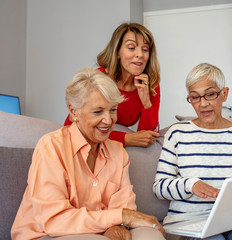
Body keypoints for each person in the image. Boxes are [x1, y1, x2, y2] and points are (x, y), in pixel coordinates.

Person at [11, 68, 165, 240]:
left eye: (113, 110)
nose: (108, 120)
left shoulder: (117, 152)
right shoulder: (51, 146)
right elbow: (55, 220)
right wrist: (120, 217)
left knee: (151, 236)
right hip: (46, 233)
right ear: (74, 112)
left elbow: (123, 206)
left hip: (98, 230)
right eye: (98, 111)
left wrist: (117, 224)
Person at [153, 63, 232, 240]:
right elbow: (160, 187)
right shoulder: (177, 133)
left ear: (224, 94)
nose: (203, 104)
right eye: (195, 97)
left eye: (210, 94)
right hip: (188, 221)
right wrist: (191, 184)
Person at [64, 22, 160, 148]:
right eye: (131, 47)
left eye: (145, 49)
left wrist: (146, 103)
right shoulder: (97, 79)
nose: (140, 55)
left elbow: (146, 137)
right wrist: (125, 138)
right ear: (117, 51)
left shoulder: (151, 85)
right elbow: (72, 126)